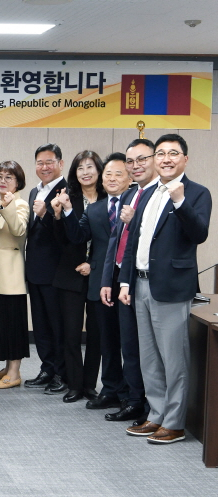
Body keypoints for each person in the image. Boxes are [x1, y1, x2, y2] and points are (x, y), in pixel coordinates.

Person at [119, 133, 212, 444]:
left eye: (173, 153)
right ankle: (156, 415)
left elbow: (199, 234)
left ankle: (174, 423)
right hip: (141, 284)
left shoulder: (197, 193)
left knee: (174, 359)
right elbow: (134, 241)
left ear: (185, 159)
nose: (166, 159)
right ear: (154, 159)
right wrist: (125, 280)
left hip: (171, 288)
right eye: (160, 153)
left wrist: (180, 201)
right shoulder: (146, 194)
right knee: (149, 358)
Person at [57, 153, 131, 405]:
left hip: (121, 280)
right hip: (87, 278)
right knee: (81, 335)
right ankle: (83, 386)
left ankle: (116, 390)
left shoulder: (134, 204)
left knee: (111, 339)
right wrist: (67, 211)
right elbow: (78, 236)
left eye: (117, 173)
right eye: (109, 174)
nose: (112, 178)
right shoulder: (94, 208)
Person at [99, 139, 158, 424]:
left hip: (148, 282)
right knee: (129, 346)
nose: (136, 166)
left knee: (148, 349)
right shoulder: (130, 194)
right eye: (131, 161)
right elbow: (116, 241)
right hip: (124, 280)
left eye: (142, 159)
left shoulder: (158, 194)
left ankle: (150, 405)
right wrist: (109, 279)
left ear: (155, 159)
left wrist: (134, 221)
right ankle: (134, 401)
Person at [48, 150, 105, 402]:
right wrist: (57, 215)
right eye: (80, 168)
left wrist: (92, 264)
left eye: (90, 167)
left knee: (96, 334)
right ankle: (74, 384)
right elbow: (62, 241)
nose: (85, 172)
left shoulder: (108, 198)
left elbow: (111, 241)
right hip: (69, 274)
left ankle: (90, 385)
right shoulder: (67, 197)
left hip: (99, 275)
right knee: (70, 334)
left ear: (99, 170)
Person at [24, 144, 68, 394]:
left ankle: (62, 373)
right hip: (35, 270)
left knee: (57, 325)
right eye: (40, 162)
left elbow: (66, 234)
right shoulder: (34, 191)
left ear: (60, 164)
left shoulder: (67, 192)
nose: (44, 167)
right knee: (40, 325)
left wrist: (45, 215)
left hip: (57, 271)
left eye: (49, 162)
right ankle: (47, 368)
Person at [0, 161, 30, 389]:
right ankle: (6, 368)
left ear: (18, 182)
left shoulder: (20, 204)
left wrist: (8, 205)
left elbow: (18, 229)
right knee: (0, 324)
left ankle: (14, 372)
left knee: (14, 326)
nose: (2, 181)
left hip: (11, 276)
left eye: (8, 177)